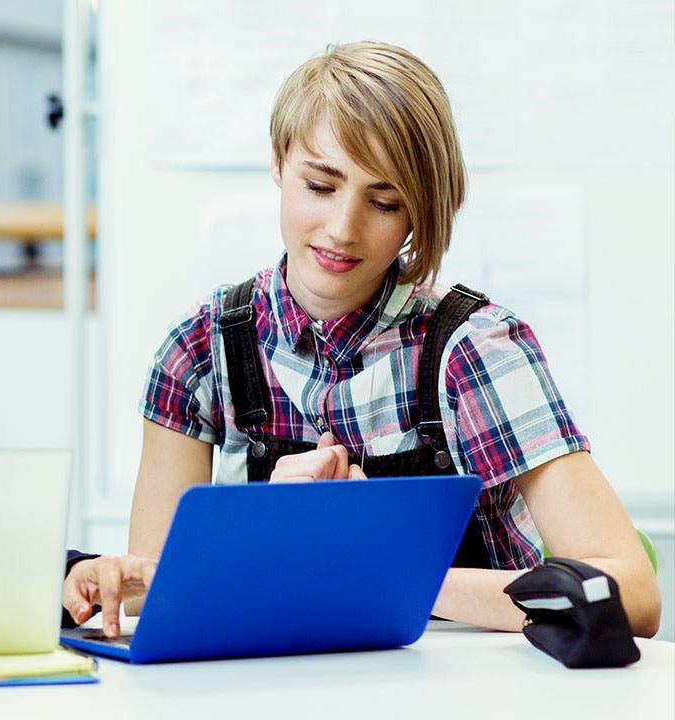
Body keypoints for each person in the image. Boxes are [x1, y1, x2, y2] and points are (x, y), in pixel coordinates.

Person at [80, 41, 661, 637]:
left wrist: (370, 562)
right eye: (320, 186)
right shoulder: (199, 353)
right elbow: (157, 599)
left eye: (384, 202)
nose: (342, 229)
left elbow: (634, 597)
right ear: (279, 163)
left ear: (418, 214)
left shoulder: (474, 351)